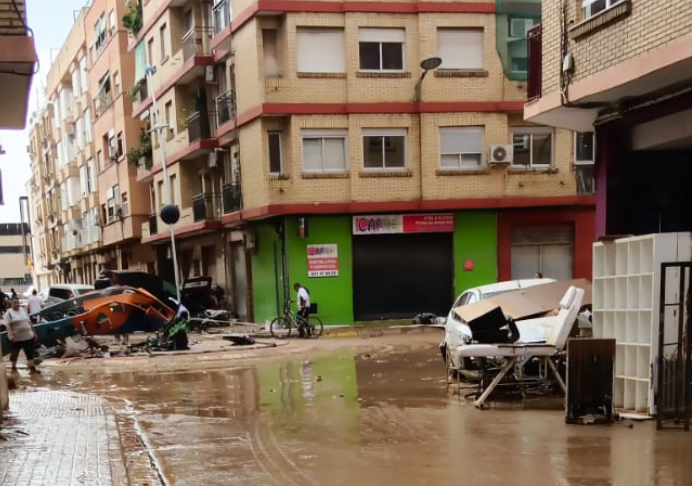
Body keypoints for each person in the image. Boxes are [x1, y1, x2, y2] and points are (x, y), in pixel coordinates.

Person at [4, 295, 40, 374]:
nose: (16, 304)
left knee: (29, 352)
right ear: (11, 304)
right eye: (14, 303)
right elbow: (8, 325)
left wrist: (34, 332)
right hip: (16, 338)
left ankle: (32, 368)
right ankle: (13, 367)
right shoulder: (8, 313)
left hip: (27, 336)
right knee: (15, 353)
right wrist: (10, 335)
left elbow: (29, 322)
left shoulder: (23, 310)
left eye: (17, 303)